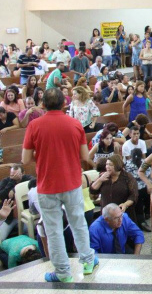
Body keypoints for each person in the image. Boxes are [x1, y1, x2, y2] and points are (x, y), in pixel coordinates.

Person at [21, 88, 97, 282]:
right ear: (64, 103)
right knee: (78, 223)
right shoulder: (75, 124)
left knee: (53, 230)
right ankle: (88, 261)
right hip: (72, 182)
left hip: (47, 185)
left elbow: (25, 159)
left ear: (43, 105)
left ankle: (63, 272)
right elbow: (84, 157)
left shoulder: (34, 125)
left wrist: (44, 154)